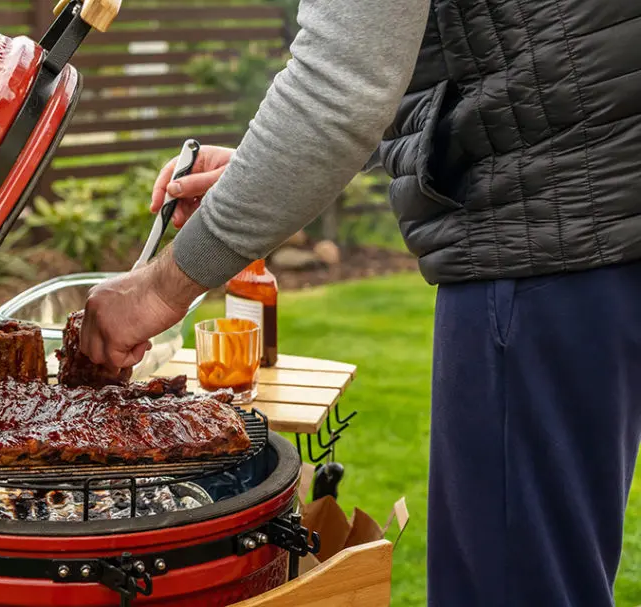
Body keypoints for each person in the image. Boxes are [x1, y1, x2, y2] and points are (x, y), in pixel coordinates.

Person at [78, 0, 641, 605]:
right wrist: (261, 173)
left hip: (541, 242)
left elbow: (338, 87)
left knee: (515, 587)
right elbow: (506, 62)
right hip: (598, 229)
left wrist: (156, 288)